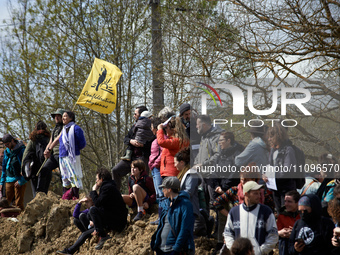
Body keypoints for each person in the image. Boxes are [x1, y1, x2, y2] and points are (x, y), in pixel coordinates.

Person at [223, 181, 278, 255]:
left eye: (259, 193)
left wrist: (261, 251)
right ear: (246, 194)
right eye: (255, 193)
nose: (259, 196)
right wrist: (235, 249)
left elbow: (273, 235)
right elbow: (228, 233)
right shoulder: (234, 212)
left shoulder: (266, 211)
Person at [150, 176, 195, 255]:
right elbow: (162, 225)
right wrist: (155, 242)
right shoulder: (166, 204)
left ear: (169, 189)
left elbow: (185, 228)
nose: (162, 190)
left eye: (163, 188)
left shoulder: (185, 204)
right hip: (161, 249)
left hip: (174, 250)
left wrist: (177, 248)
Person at [111, 106, 151, 190]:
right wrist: (131, 141)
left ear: (141, 115)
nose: (134, 115)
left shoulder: (150, 127)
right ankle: (116, 195)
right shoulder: (134, 126)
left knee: (143, 179)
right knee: (115, 170)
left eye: (135, 114)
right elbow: (126, 139)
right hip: (130, 157)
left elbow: (153, 143)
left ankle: (143, 199)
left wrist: (143, 145)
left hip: (143, 158)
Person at [89, 167, 128, 250]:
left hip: (118, 222)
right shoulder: (109, 186)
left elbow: (97, 203)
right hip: (115, 217)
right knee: (90, 213)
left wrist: (93, 191)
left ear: (101, 179)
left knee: (93, 210)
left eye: (97, 179)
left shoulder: (107, 188)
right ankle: (99, 230)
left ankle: (103, 236)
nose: (96, 181)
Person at [266, 122, 298, 213]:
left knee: (288, 215)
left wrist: (273, 176)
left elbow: (288, 171)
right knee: (280, 216)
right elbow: (270, 166)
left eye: (271, 136)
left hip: (286, 190)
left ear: (278, 136)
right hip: (276, 190)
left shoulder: (288, 150)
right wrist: (265, 175)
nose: (269, 139)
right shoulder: (273, 150)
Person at [175, 147, 206, 236]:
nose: (174, 165)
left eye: (175, 162)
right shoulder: (184, 174)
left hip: (191, 212)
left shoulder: (191, 174)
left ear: (182, 162)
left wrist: (175, 195)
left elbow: (189, 191)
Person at [194, 115, 222, 206]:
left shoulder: (216, 137)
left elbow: (218, 155)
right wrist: (195, 164)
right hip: (203, 176)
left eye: (198, 125)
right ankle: (206, 220)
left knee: (215, 204)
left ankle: (218, 220)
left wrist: (203, 164)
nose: (196, 127)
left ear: (204, 125)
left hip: (212, 176)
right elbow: (200, 153)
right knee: (203, 204)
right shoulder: (204, 136)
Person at [59, 111, 86, 199]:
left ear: (71, 118)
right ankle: (66, 196)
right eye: (62, 116)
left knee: (74, 176)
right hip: (62, 156)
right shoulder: (63, 129)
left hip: (72, 157)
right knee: (65, 177)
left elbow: (82, 143)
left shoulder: (76, 129)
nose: (63, 118)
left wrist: (74, 149)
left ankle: (75, 196)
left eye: (65, 116)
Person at [21, 120, 51, 197]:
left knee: (36, 191)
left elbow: (26, 154)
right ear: (45, 128)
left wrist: (23, 168)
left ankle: (37, 206)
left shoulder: (32, 140)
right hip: (46, 167)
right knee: (44, 191)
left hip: (35, 169)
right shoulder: (49, 139)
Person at [41, 108, 66, 194]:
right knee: (44, 170)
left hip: (62, 155)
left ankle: (65, 194)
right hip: (54, 155)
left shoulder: (65, 127)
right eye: (55, 116)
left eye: (58, 116)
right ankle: (41, 192)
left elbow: (57, 140)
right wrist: (46, 151)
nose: (56, 118)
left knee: (63, 176)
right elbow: (51, 141)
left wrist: (49, 149)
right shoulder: (55, 128)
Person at [0, 134, 27, 211]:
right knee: (5, 203)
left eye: (8, 144)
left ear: (12, 141)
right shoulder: (6, 151)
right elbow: (4, 167)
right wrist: (2, 182)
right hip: (8, 179)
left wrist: (22, 181)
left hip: (19, 180)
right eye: (5, 145)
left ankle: (19, 219)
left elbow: (26, 167)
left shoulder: (22, 151)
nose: (7, 146)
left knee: (18, 203)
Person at [149, 117, 164, 225]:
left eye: (151, 126)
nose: (150, 128)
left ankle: (163, 218)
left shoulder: (161, 138)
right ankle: (160, 217)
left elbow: (163, 152)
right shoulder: (155, 140)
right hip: (154, 169)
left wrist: (155, 163)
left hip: (158, 169)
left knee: (161, 194)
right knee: (159, 194)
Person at [277, 190, 300, 255]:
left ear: (297, 203)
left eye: (289, 202)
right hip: (285, 246)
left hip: (299, 246)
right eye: (285, 201)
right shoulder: (282, 215)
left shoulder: (303, 215)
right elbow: (274, 232)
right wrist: (280, 233)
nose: (286, 204)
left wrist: (294, 233)